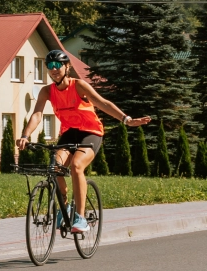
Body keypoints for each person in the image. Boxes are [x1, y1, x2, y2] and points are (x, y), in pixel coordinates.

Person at [16, 48, 146, 235]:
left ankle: (81, 218)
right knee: (55, 167)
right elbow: (37, 114)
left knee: (77, 166)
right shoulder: (47, 91)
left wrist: (127, 120)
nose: (54, 69)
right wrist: (25, 135)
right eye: (50, 66)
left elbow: (103, 103)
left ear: (67, 67)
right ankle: (65, 207)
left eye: (57, 65)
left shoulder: (79, 86)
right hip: (69, 134)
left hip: (91, 133)